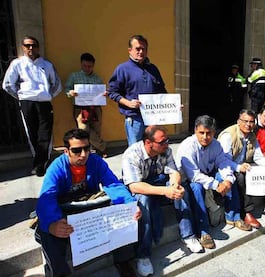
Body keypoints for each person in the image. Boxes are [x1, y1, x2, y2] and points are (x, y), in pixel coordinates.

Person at [35, 129, 141, 277]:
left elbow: (113, 185)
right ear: (66, 151)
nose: (83, 154)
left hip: (89, 203)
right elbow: (47, 198)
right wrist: (52, 223)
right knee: (48, 232)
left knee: (123, 213)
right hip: (65, 208)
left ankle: (124, 261)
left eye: (86, 149)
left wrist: (130, 205)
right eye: (77, 150)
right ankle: (59, 273)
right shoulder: (56, 168)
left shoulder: (96, 161)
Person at [122, 125, 203, 276]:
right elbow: (134, 186)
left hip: (159, 180)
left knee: (181, 190)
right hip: (141, 187)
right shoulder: (131, 155)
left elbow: (174, 172)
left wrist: (174, 186)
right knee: (143, 201)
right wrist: (165, 191)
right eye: (162, 142)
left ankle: (188, 235)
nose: (166, 144)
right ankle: (143, 255)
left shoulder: (166, 150)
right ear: (148, 142)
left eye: (167, 140)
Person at [176, 115, 252, 250]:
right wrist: (217, 185)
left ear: (214, 132)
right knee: (196, 188)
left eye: (209, 133)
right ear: (195, 131)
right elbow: (193, 175)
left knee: (229, 177)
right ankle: (203, 231)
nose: (205, 137)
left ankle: (233, 216)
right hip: (191, 179)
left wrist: (227, 180)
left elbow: (222, 163)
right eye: (201, 133)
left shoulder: (216, 144)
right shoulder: (188, 146)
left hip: (208, 173)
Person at [2, 35, 62, 176]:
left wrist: (48, 95)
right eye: (27, 45)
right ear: (22, 47)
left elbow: (56, 84)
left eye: (34, 45)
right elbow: (8, 84)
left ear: (38, 47)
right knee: (32, 133)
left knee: (45, 133)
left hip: (44, 103)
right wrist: (21, 96)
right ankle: (38, 162)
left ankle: (41, 164)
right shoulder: (17, 64)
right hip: (27, 102)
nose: (31, 48)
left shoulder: (46, 65)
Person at [218, 109, 265, 228]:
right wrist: (238, 167)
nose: (248, 124)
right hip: (226, 167)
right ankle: (246, 212)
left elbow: (258, 156)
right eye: (245, 121)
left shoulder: (252, 135)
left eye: (251, 122)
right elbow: (223, 160)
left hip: (244, 164)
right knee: (241, 177)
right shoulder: (229, 135)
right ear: (239, 121)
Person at [108, 34, 166, 146]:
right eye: (137, 49)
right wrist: (128, 103)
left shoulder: (153, 69)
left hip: (153, 117)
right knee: (136, 150)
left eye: (143, 49)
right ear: (130, 50)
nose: (141, 52)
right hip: (135, 118)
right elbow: (112, 92)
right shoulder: (122, 69)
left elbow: (162, 91)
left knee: (155, 148)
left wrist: (174, 106)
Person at [65, 53, 107, 157]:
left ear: (93, 65)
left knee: (96, 130)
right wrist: (71, 93)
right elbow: (67, 88)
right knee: (83, 130)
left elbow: (102, 92)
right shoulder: (74, 76)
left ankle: (97, 151)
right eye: (85, 66)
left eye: (90, 66)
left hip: (95, 108)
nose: (87, 68)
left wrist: (104, 94)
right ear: (81, 64)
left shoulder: (97, 78)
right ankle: (102, 147)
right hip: (80, 109)